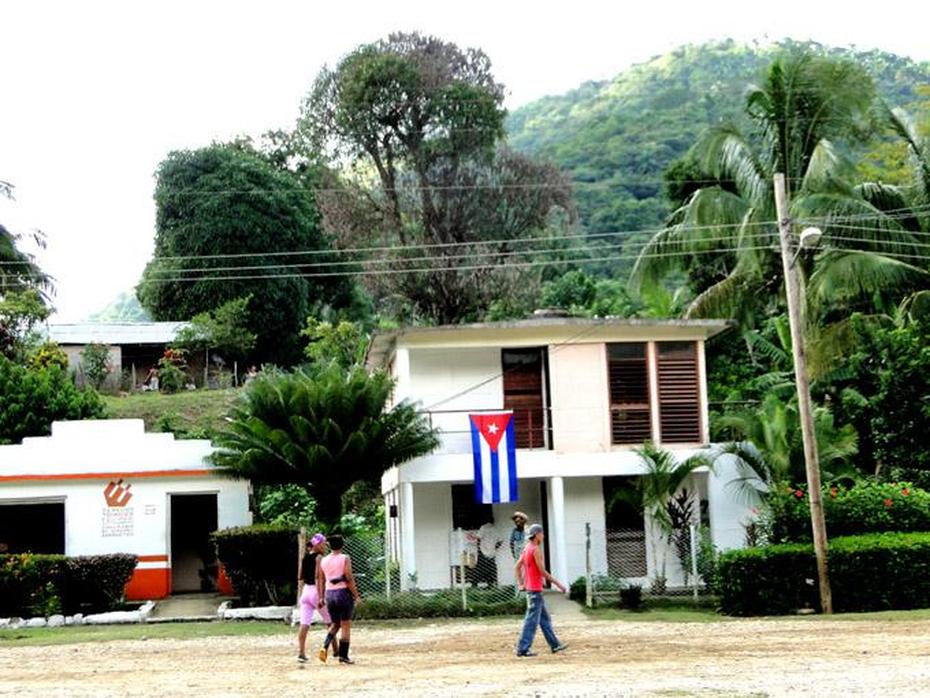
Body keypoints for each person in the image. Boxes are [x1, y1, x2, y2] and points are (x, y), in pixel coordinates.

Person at [514, 523, 568, 657]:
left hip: (531, 589)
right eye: (542, 534)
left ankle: (555, 645)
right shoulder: (535, 549)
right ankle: (523, 648)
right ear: (537, 535)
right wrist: (558, 584)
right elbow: (542, 571)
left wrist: (521, 583)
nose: (543, 536)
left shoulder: (527, 548)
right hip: (535, 590)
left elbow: (517, 567)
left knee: (544, 619)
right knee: (531, 620)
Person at [317, 534, 362, 664]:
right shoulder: (345, 558)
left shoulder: (324, 560)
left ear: (330, 546)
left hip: (329, 594)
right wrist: (356, 595)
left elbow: (321, 578)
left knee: (335, 624)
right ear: (342, 545)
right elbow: (349, 578)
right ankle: (344, 656)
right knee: (345, 625)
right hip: (343, 593)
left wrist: (321, 597)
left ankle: (324, 647)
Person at [296, 533, 333, 663]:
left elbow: (300, 576)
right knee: (330, 623)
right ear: (317, 544)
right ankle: (337, 651)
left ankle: (301, 652)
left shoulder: (305, 557)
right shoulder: (320, 558)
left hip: (306, 591)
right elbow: (320, 577)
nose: (325, 546)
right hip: (317, 592)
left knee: (304, 623)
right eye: (323, 544)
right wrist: (322, 595)